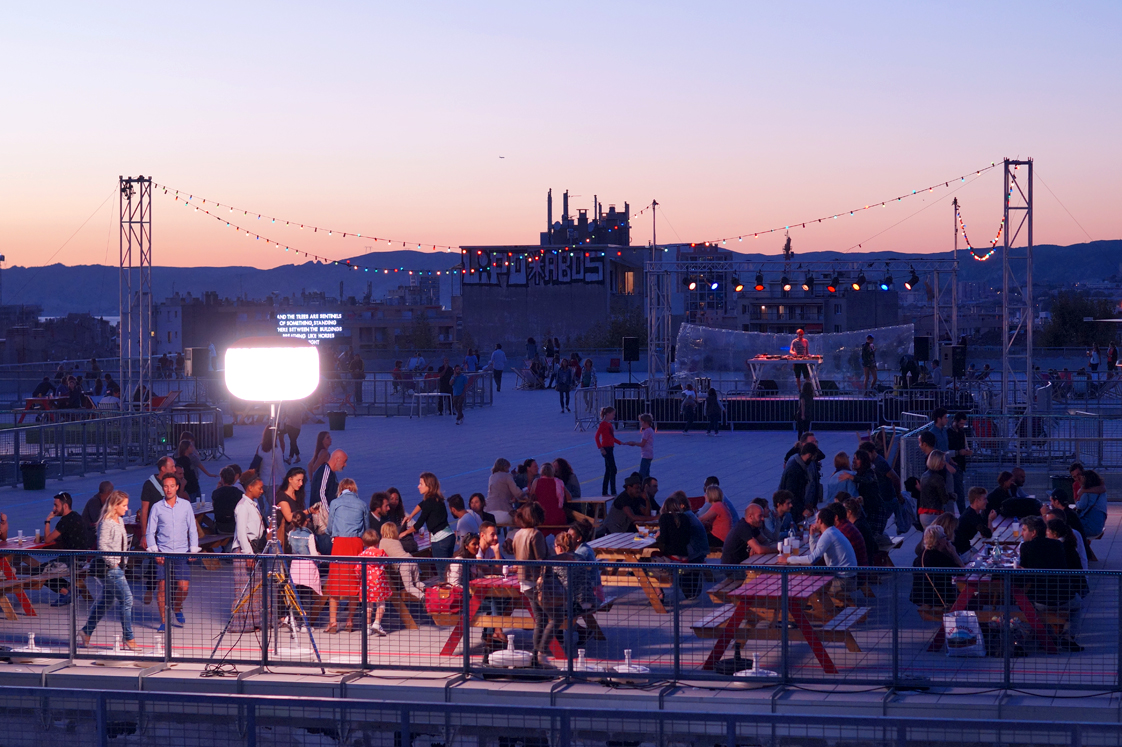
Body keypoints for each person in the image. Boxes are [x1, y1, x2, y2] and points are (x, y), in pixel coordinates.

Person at [78, 491, 138, 650]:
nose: (127, 508)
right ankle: (129, 637)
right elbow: (102, 546)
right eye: (124, 505)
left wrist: (122, 562)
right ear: (115, 505)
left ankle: (86, 631)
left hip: (118, 566)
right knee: (127, 599)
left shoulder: (120, 521)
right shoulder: (106, 522)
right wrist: (113, 563)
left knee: (106, 601)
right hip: (110, 568)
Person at [1018, 516, 1083, 652]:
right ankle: (1067, 636)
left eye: (1024, 530)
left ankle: (1045, 636)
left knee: (1022, 602)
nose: (1021, 533)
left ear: (1033, 532)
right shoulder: (1058, 545)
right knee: (1078, 605)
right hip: (1066, 596)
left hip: (1042, 600)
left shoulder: (1026, 547)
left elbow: (1023, 575)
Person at [146, 472, 200, 632]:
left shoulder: (185, 505)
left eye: (171, 486)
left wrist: (193, 550)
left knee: (183, 587)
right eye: (165, 486)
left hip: (182, 552)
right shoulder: (156, 507)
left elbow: (193, 529)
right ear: (162, 488)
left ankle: (177, 607)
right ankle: (164, 621)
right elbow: (150, 532)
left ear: (177, 487)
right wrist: (156, 552)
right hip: (163, 553)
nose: (168, 489)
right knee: (162, 587)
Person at [512, 502, 557, 668]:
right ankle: (541, 652)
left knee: (540, 618)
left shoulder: (518, 534)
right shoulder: (536, 534)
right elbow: (541, 560)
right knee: (556, 617)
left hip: (524, 580)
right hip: (536, 581)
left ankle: (537, 656)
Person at [323, 477, 370, 633]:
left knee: (335, 582)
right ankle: (350, 621)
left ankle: (333, 622)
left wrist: (331, 533)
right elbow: (366, 528)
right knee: (354, 582)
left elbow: (329, 526)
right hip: (356, 544)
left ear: (341, 488)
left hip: (340, 544)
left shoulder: (335, 503)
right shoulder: (362, 504)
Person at [782, 506, 858, 597]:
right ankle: (819, 607)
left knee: (808, 585)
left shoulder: (828, 535)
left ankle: (817, 609)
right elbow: (814, 553)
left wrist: (788, 559)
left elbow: (812, 559)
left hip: (844, 581)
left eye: (816, 520)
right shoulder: (833, 531)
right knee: (811, 579)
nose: (814, 522)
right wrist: (812, 536)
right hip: (849, 578)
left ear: (820, 521)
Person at [40, 491, 91, 606]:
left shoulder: (65, 521)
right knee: (44, 568)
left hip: (71, 561)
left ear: (65, 506)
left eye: (56, 506)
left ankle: (66, 592)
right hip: (82, 559)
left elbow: (48, 540)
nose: (54, 509)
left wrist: (48, 520)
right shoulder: (76, 516)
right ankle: (72, 589)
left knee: (39, 571)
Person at [231, 471, 267, 632]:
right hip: (244, 551)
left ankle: (256, 620)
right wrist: (248, 554)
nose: (262, 490)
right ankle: (241, 623)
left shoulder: (253, 504)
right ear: (250, 487)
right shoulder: (242, 507)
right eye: (259, 487)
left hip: (254, 549)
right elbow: (240, 533)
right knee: (244, 588)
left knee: (256, 587)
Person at [403, 472, 456, 560]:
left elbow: (418, 524)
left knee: (442, 570)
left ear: (429, 486)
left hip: (440, 540)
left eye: (421, 484)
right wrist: (411, 516)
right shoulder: (436, 498)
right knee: (448, 568)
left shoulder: (428, 502)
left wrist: (404, 533)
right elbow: (421, 505)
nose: (418, 486)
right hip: (449, 536)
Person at [285, 511, 322, 627]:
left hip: (295, 567)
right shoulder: (309, 536)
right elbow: (313, 554)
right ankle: (305, 624)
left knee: (296, 596)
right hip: (307, 568)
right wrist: (320, 558)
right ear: (306, 521)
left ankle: (294, 620)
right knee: (306, 597)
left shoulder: (290, 533)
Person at [910, 525, 960, 609]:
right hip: (938, 599)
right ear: (939, 541)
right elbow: (962, 572)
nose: (946, 538)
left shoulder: (922, 554)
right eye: (944, 536)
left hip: (921, 597)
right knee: (973, 595)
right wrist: (954, 553)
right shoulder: (939, 558)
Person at [357, 528, 392, 637]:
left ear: (364, 542)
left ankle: (367, 627)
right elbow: (386, 563)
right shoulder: (380, 552)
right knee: (381, 603)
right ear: (378, 541)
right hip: (378, 582)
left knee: (368, 605)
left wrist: (360, 577)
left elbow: (357, 569)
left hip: (366, 583)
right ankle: (377, 623)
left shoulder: (362, 554)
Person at [779, 441, 821, 519]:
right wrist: (802, 509)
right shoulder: (794, 470)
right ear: (809, 455)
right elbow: (791, 493)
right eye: (813, 457)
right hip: (792, 512)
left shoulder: (798, 465)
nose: (813, 460)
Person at [953, 487, 995, 554]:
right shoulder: (971, 515)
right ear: (977, 501)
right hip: (960, 551)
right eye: (984, 499)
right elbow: (988, 534)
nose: (987, 502)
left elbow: (984, 532)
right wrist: (990, 519)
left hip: (963, 547)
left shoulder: (974, 513)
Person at [275, 466, 307, 550]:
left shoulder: (298, 495)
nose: (301, 484)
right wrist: (308, 511)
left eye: (302, 480)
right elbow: (289, 517)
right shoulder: (282, 496)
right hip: (287, 538)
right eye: (298, 480)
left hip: (299, 535)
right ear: (290, 479)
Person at [528, 462, 569, 527]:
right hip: (557, 516)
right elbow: (569, 497)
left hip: (541, 517)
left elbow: (532, 496)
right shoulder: (558, 482)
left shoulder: (536, 482)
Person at [946, 413, 972, 514]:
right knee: (958, 491)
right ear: (955, 421)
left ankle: (962, 513)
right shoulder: (948, 433)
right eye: (961, 423)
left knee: (959, 490)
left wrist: (967, 451)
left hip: (960, 463)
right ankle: (962, 513)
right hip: (953, 463)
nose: (962, 426)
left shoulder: (961, 432)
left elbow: (965, 445)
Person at [487, 458, 523, 526]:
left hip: (489, 512)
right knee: (519, 521)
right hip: (503, 511)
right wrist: (524, 494)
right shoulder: (507, 476)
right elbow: (517, 492)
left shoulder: (492, 477)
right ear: (505, 467)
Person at [919, 451, 951, 527]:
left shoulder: (924, 475)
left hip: (923, 514)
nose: (944, 462)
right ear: (937, 462)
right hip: (934, 514)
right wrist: (951, 496)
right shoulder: (938, 478)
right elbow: (944, 499)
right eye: (942, 460)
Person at [595, 406, 622, 495]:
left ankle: (605, 491)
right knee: (613, 469)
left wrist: (620, 443)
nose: (614, 416)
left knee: (608, 470)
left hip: (610, 447)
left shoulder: (609, 424)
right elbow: (597, 437)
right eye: (613, 414)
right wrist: (601, 448)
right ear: (608, 414)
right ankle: (613, 491)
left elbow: (611, 437)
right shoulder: (603, 424)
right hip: (606, 449)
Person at [1074, 469, 1108, 538]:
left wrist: (1076, 503)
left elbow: (1081, 506)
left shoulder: (1086, 492)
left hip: (1089, 527)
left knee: (1068, 526)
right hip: (1099, 526)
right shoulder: (1101, 492)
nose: (1078, 480)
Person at [210, 464, 243, 535]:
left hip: (221, 527)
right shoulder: (239, 493)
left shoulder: (216, 493)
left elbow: (214, 505)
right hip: (235, 525)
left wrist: (217, 488)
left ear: (222, 479)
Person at [633, 413, 656, 479]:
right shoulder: (650, 430)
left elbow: (642, 444)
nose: (641, 423)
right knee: (647, 472)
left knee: (642, 473)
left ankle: (642, 486)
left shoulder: (646, 432)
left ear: (646, 422)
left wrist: (634, 443)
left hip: (646, 455)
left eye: (641, 422)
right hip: (649, 454)